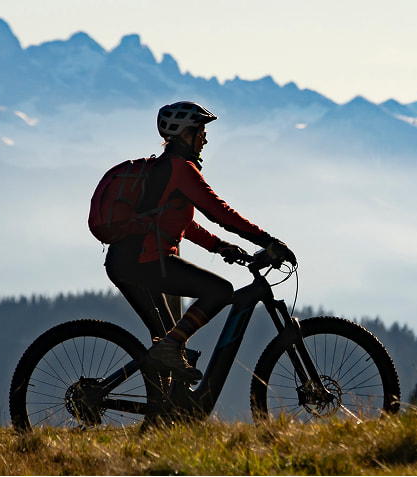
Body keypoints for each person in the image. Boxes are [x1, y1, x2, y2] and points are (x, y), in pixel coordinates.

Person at [104, 101, 296, 383]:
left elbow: (177, 222)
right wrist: (268, 241)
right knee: (219, 291)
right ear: (184, 134)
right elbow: (221, 213)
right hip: (144, 263)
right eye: (200, 130)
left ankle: (162, 415)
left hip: (127, 262)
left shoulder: (164, 169)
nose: (205, 137)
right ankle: (167, 361)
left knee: (168, 349)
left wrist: (219, 246)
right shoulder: (180, 169)